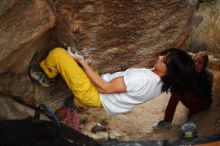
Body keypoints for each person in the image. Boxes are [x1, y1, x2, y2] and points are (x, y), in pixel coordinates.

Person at [29, 47, 195, 120]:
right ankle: (53, 120)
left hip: (96, 93)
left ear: (171, 71)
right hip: (102, 101)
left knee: (58, 54)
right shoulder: (163, 83)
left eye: (164, 60)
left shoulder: (142, 79)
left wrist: (82, 62)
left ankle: (47, 77)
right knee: (73, 104)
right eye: (164, 55)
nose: (159, 57)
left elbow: (105, 87)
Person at [154, 51, 213, 129]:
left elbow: (204, 95)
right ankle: (167, 121)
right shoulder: (189, 71)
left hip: (203, 103)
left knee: (187, 89)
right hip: (191, 100)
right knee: (176, 91)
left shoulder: (208, 76)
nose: (196, 64)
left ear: (204, 65)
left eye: (200, 63)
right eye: (195, 61)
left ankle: (193, 115)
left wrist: (190, 85)